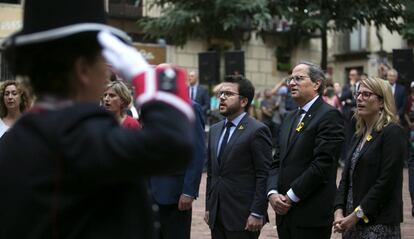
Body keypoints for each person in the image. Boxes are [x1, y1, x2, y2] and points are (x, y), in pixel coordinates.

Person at [0, 0, 194, 238]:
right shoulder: (78, 136)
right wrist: (150, 76)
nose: (105, 75)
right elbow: (173, 143)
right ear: (82, 70)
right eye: (101, 63)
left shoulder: (13, 141)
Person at [267, 61, 344, 239]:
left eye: (299, 78)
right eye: (290, 79)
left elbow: (323, 164)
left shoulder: (329, 115)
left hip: (310, 214)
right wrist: (272, 194)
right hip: (284, 215)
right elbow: (276, 160)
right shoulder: (289, 117)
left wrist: (291, 196)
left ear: (317, 84)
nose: (292, 83)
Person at [333, 77, 406, 238]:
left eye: (366, 94)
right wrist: (338, 211)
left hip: (378, 224)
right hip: (350, 224)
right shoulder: (358, 135)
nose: (359, 98)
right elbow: (345, 179)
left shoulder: (392, 132)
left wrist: (357, 215)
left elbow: (386, 182)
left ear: (381, 102)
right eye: (357, 94)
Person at [205, 75, 272, 239]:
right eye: (220, 93)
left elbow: (263, 174)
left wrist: (257, 212)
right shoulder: (215, 130)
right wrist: (209, 207)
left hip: (243, 216)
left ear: (243, 101)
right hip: (217, 214)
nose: (221, 97)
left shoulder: (257, 130)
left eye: (228, 94)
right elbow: (213, 173)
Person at [149, 97, 205, 239]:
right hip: (150, 190)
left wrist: (189, 191)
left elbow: (197, 152)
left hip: (175, 193)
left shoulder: (190, 107)